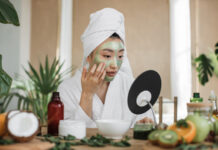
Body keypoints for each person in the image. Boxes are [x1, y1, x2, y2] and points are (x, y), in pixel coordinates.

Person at [58, 8, 153, 128]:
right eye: (107, 56)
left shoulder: (130, 85)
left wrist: (142, 125)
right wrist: (87, 94)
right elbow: (69, 134)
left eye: (120, 56)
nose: (115, 65)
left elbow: (144, 120)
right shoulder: (66, 89)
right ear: (89, 56)